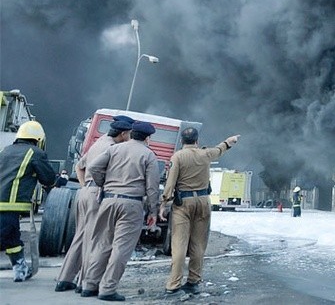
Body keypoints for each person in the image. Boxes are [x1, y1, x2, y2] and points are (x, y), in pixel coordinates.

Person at [54, 115, 134, 293]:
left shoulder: (98, 143)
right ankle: (84, 283)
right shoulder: (112, 148)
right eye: (129, 133)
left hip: (84, 193)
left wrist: (85, 186)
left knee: (80, 236)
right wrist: (98, 186)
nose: (130, 137)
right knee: (95, 239)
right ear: (122, 133)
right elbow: (96, 169)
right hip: (96, 194)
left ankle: (64, 279)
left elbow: (79, 167)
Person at [81, 121, 159, 301]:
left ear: (131, 134)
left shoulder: (114, 149)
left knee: (102, 243)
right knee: (121, 248)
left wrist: (103, 183)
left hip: (108, 201)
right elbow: (152, 187)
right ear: (147, 138)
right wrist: (152, 211)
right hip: (131, 204)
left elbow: (92, 167)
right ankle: (107, 289)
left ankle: (90, 285)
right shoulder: (148, 155)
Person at [159, 128, 240, 295]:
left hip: (183, 203)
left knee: (179, 243)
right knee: (198, 244)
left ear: (182, 141)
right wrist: (229, 141)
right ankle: (193, 281)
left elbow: (170, 183)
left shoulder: (178, 157)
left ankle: (173, 284)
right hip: (203, 201)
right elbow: (220, 149)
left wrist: (163, 203)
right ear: (197, 140)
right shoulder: (206, 154)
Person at [0, 120, 56, 282]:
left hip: (7, 207)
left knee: (12, 238)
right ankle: (20, 268)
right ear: (39, 139)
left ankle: (20, 270)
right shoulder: (36, 153)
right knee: (4, 237)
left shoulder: (5, 150)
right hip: (9, 206)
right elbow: (48, 179)